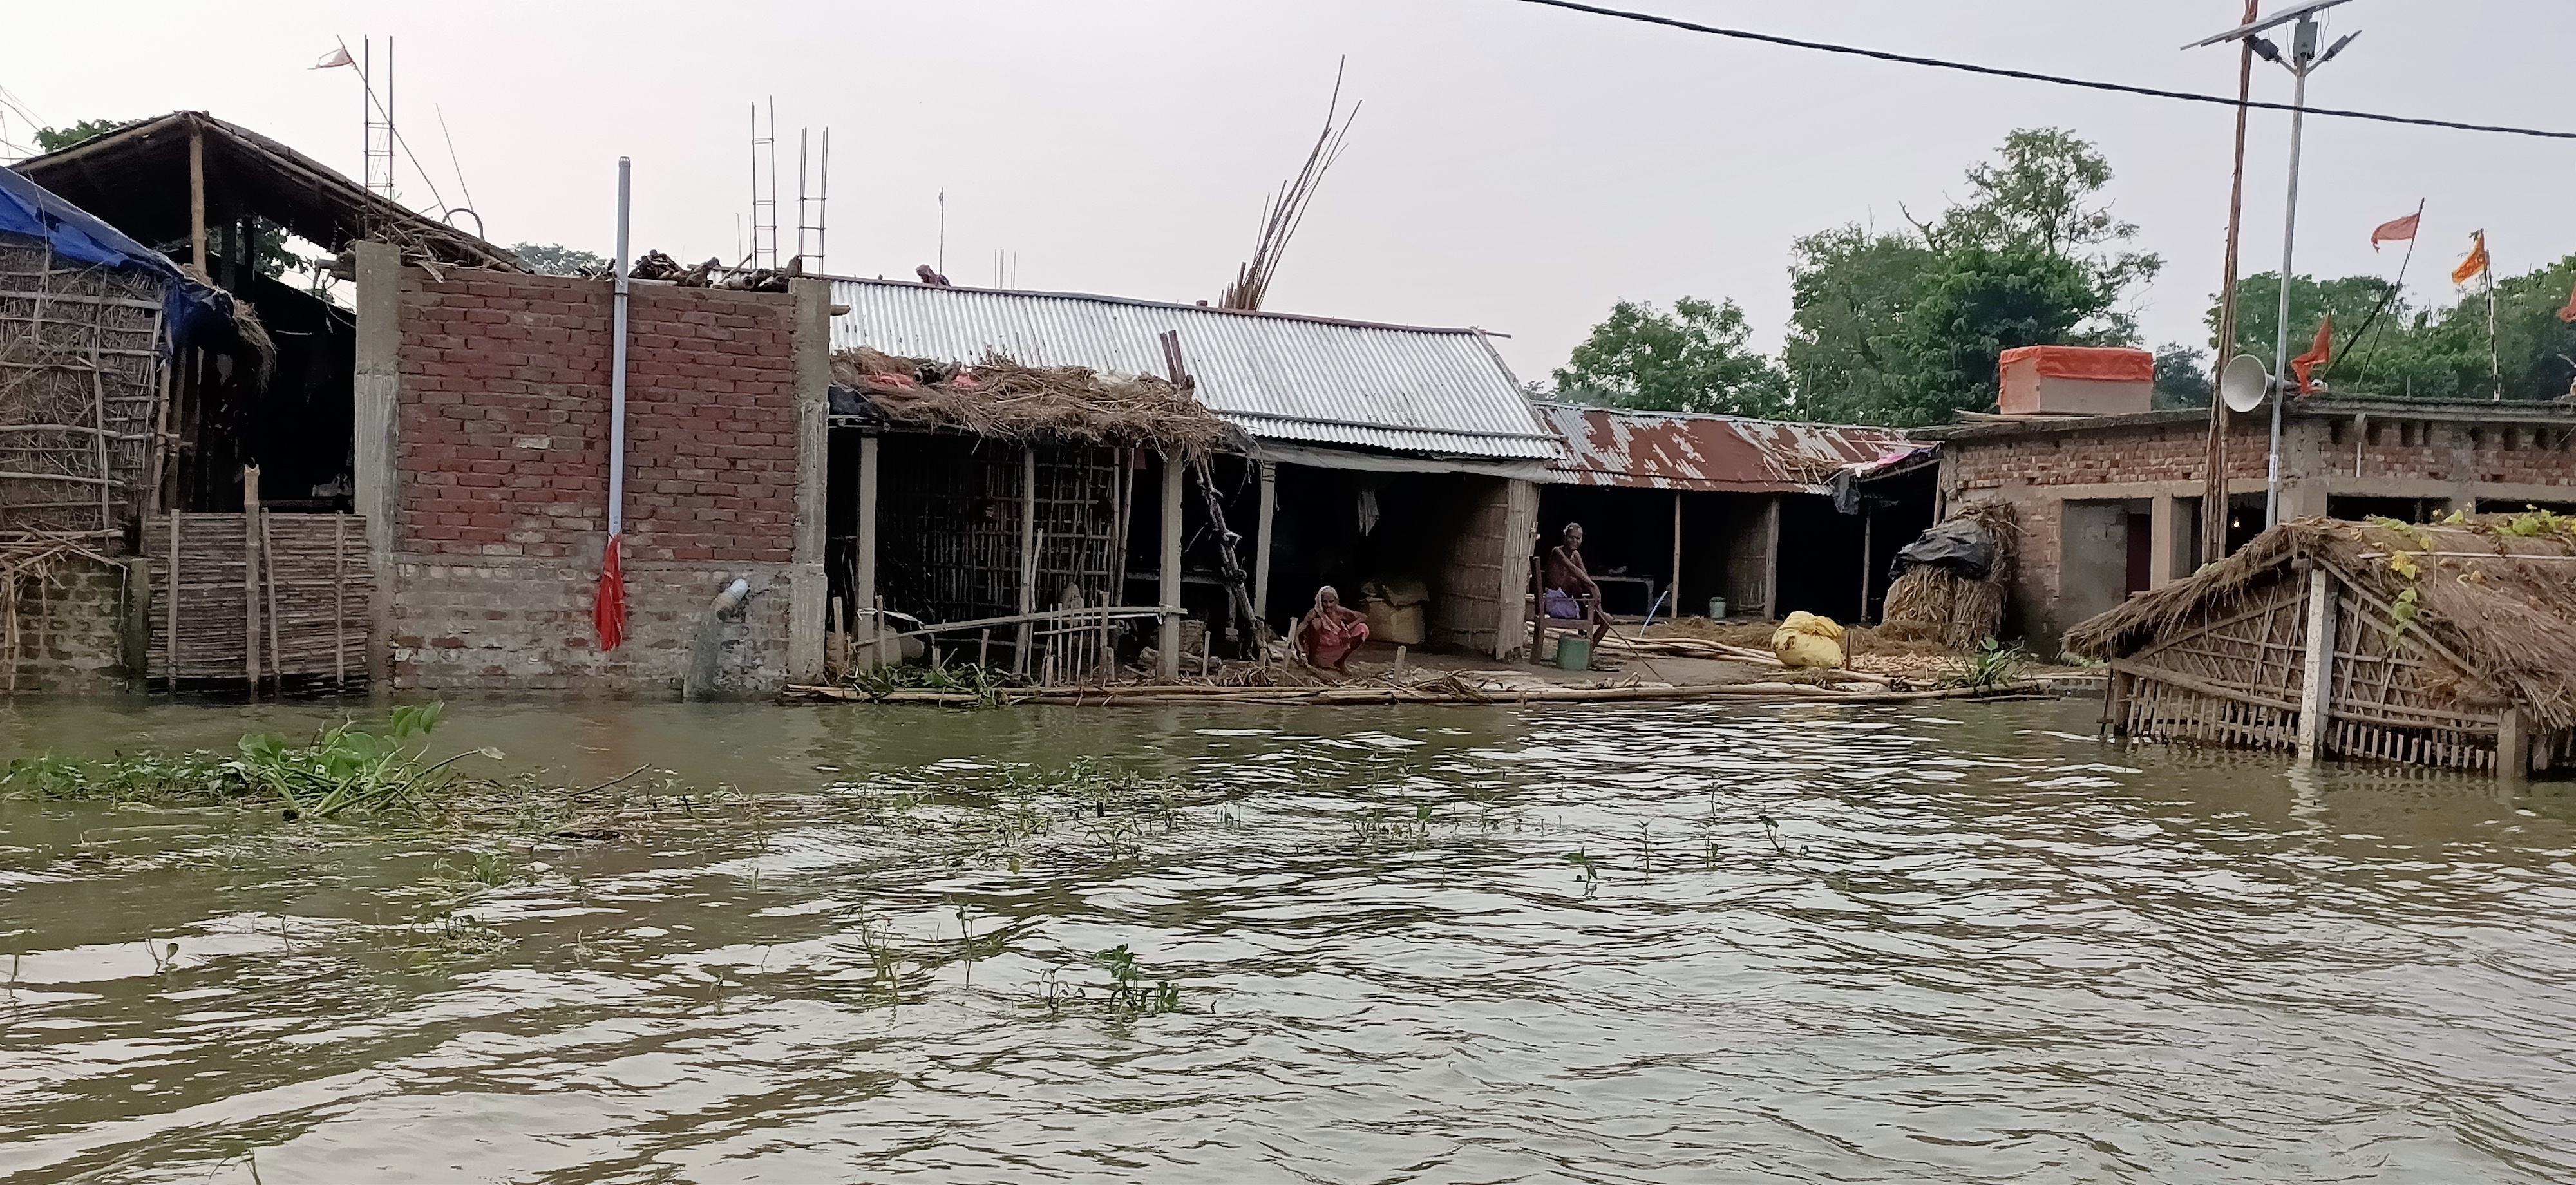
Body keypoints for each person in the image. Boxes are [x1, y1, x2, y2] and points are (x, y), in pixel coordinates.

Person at [1542, 522, 1610, 647]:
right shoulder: (1557, 552)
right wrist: (1594, 586)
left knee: (1607, 620)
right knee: (1575, 581)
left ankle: (1588, 652)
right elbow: (1574, 570)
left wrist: (1598, 604)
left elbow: (1585, 577)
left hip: (1571, 604)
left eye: (1578, 538)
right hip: (1556, 603)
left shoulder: (1576, 555)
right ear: (1565, 537)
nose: (1575, 541)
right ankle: (1586, 613)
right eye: (1571, 537)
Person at [1297, 585, 1370, 676]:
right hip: (1318, 649)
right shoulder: (1314, 613)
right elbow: (1297, 633)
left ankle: (1340, 662)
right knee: (1316, 622)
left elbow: (1363, 617)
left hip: (1336, 644)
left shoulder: (1340, 611)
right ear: (1320, 601)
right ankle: (1312, 663)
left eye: (1331, 602)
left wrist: (1348, 627)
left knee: (1363, 628)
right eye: (1325, 602)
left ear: (1336, 601)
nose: (1328, 605)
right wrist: (1302, 652)